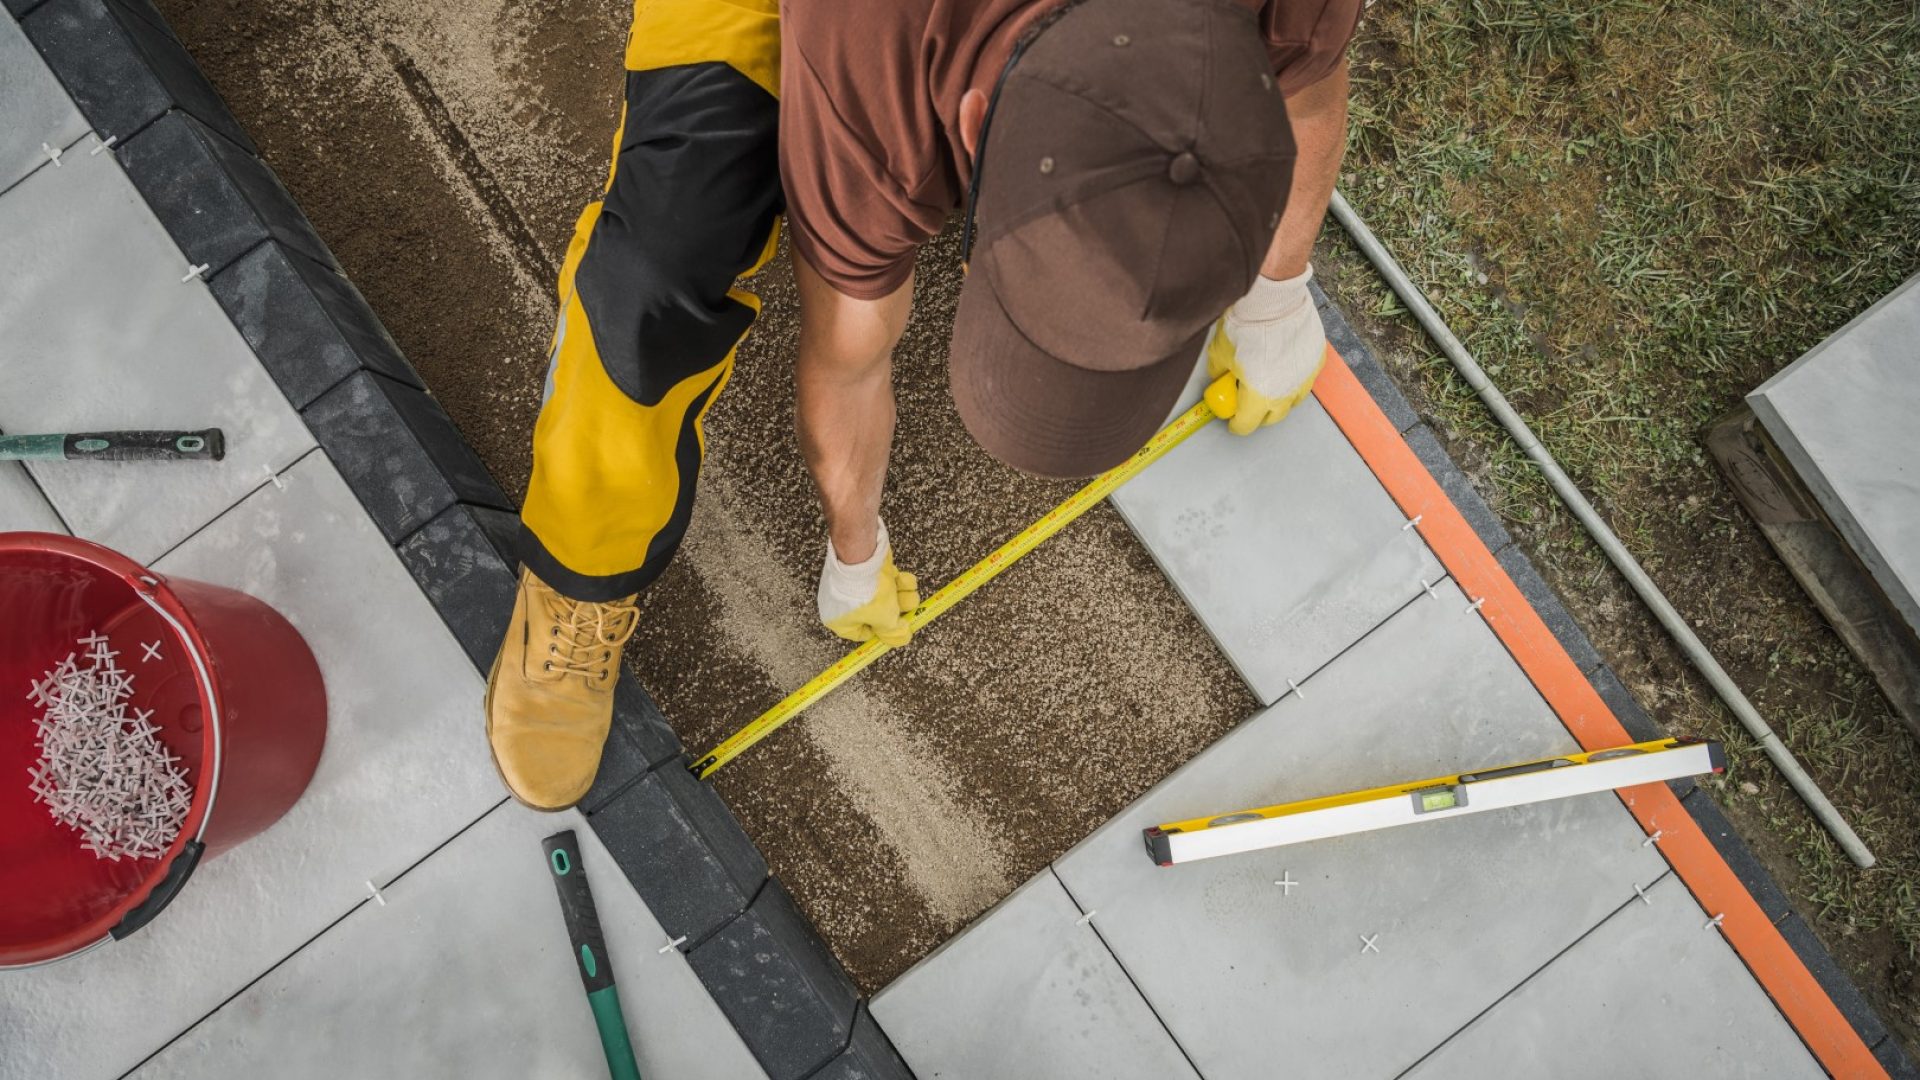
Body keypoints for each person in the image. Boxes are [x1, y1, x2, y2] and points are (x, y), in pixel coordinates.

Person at [486, 0, 1362, 810]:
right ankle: (578, 574)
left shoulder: (1290, 11)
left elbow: (1308, 94)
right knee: (654, 273)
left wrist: (1277, 294)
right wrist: (853, 544)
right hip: (862, 37)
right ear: (975, 123)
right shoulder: (866, 90)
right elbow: (848, 356)